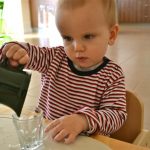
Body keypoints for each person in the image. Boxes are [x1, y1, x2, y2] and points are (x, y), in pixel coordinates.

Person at [0, 0, 127, 144]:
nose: (77, 47)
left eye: (88, 36)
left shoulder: (112, 75)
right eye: (68, 38)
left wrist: (83, 120)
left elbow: (116, 115)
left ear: (111, 35)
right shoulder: (54, 58)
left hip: (87, 143)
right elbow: (32, 53)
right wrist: (15, 50)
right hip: (48, 137)